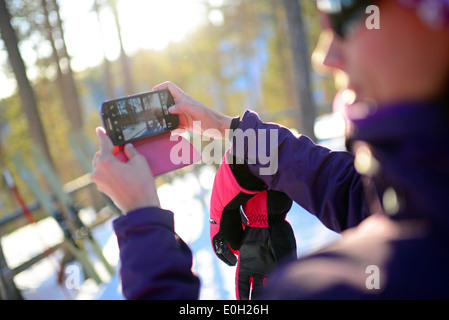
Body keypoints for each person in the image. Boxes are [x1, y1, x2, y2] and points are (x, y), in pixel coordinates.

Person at [92, 0, 449, 299]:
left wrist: (142, 219)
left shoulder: (336, 286)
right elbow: (351, 191)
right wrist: (224, 128)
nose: (324, 56)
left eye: (344, 10)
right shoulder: (420, 194)